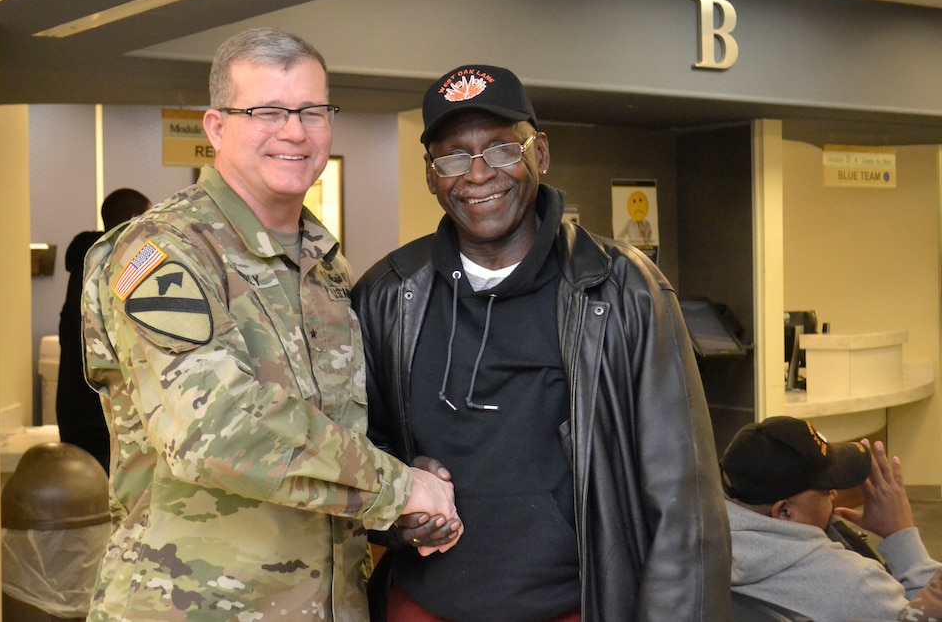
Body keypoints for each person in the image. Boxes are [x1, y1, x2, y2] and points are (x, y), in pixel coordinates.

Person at [81, 27, 461, 621]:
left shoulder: (323, 263)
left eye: (312, 110)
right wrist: (397, 488)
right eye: (267, 111)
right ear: (216, 128)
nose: (294, 131)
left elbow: (337, 428)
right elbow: (215, 429)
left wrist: (409, 485)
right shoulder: (163, 252)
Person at [351, 64, 731, 621]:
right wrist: (399, 501)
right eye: (453, 157)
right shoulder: (388, 294)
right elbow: (354, 453)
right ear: (432, 175)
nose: (478, 175)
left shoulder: (622, 288)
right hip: (424, 607)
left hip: (580, 607)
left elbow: (685, 498)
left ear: (541, 154)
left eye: (503, 150)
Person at [721, 415, 942, 622]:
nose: (834, 494)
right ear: (785, 511)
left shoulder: (701, 553)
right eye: (825, 489)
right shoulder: (857, 585)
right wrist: (901, 536)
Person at [56, 187, 151, 473]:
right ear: (134, 219)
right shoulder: (127, 264)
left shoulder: (83, 268)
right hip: (115, 414)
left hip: (74, 410)